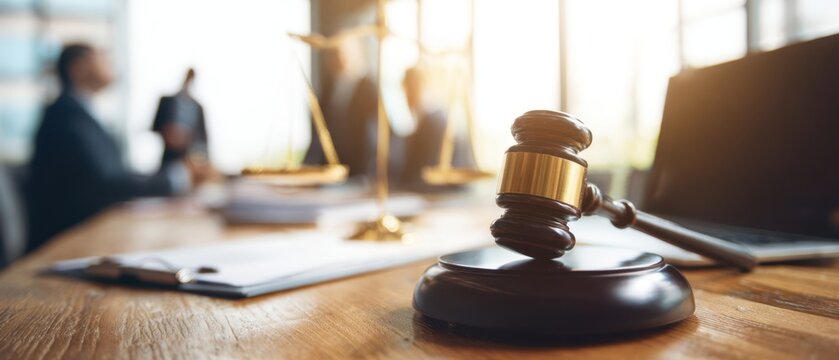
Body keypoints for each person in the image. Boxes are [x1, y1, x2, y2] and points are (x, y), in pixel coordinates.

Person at [26, 43, 208, 251]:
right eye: (102, 56)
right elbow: (106, 183)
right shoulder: (67, 117)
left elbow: (114, 174)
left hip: (87, 235)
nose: (110, 62)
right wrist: (176, 177)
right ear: (78, 68)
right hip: (69, 243)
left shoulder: (79, 113)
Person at [304, 40, 377, 177]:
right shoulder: (327, 90)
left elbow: (372, 135)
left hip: (358, 171)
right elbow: (318, 134)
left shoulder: (368, 88)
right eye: (334, 55)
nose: (339, 60)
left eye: (342, 54)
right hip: (330, 170)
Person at [400, 65, 476, 186]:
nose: (407, 100)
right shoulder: (423, 125)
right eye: (406, 94)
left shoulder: (436, 123)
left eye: (410, 92)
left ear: (421, 88)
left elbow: (428, 175)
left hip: (448, 190)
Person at [152, 68, 209, 168]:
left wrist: (187, 137)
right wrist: (169, 133)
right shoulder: (166, 101)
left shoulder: (198, 107)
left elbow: (203, 137)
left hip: (189, 159)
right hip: (168, 156)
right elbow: (155, 126)